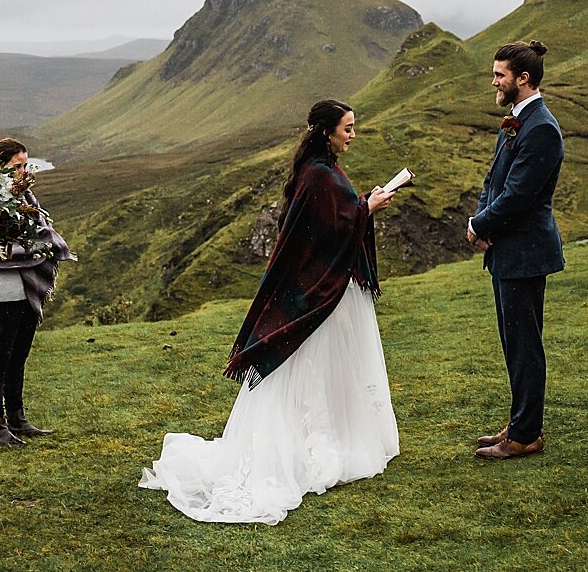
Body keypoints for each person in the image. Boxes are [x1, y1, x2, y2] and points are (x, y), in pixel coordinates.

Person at [140, 100, 399, 524]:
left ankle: (328, 437)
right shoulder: (318, 174)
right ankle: (310, 447)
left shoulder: (321, 169)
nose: (353, 135)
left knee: (328, 370)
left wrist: (361, 207)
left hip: (330, 289)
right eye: (347, 128)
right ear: (326, 131)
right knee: (312, 368)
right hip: (321, 291)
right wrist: (366, 209)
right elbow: (324, 232)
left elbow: (333, 221)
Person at [467, 41, 566, 461]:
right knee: (513, 340)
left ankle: (526, 434)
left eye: (499, 75)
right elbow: (494, 183)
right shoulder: (517, 122)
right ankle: (520, 420)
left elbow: (519, 195)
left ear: (522, 79)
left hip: (526, 250)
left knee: (525, 343)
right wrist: (481, 220)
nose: (494, 81)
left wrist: (480, 225)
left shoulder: (541, 127)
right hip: (508, 249)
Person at [0, 138, 75, 447]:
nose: (22, 172)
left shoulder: (24, 196)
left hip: (24, 285)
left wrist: (36, 246)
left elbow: (38, 230)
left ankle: (17, 419)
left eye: (25, 165)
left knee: (18, 354)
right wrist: (34, 247)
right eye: (15, 166)